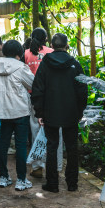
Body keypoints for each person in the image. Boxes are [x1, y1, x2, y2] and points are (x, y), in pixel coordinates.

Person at [31, 33, 88, 193]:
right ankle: (72, 183)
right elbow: (82, 90)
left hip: (50, 112)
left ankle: (52, 184)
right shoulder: (75, 64)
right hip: (71, 112)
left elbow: (37, 89)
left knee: (52, 147)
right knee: (71, 148)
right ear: (66, 45)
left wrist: (39, 112)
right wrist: (79, 110)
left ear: (52, 45)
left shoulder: (45, 64)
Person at [0, 39, 35, 191]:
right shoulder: (21, 68)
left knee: (3, 143)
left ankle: (4, 177)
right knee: (21, 146)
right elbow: (32, 84)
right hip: (21, 111)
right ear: (19, 53)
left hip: (3, 111)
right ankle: (21, 180)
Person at [23, 27, 59, 178]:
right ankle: (54, 166)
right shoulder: (51, 52)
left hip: (33, 97)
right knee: (54, 132)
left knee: (35, 131)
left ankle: (37, 167)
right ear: (45, 39)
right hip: (51, 97)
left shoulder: (25, 53)